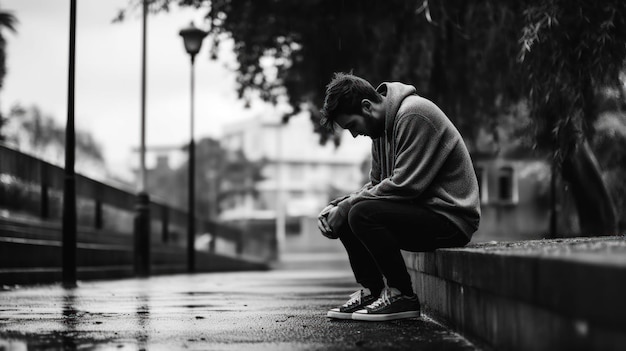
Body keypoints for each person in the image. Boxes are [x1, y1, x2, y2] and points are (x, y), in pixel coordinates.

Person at [318, 72, 480, 322]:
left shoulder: (414, 114)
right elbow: (376, 185)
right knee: (351, 211)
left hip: (451, 217)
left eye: (352, 125)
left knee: (360, 212)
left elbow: (406, 186)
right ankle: (373, 292)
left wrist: (349, 204)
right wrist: (337, 206)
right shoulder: (380, 131)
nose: (353, 134)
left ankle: (402, 295)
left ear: (367, 106)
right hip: (422, 212)